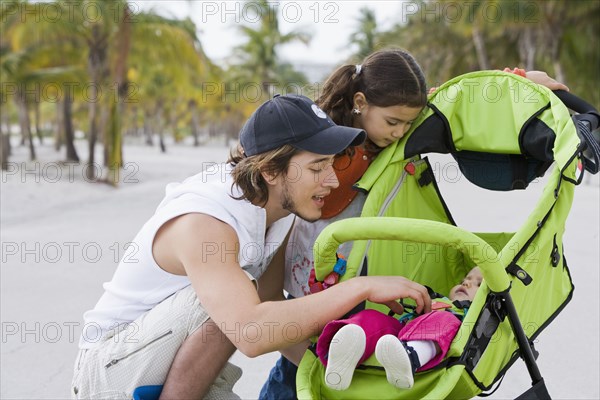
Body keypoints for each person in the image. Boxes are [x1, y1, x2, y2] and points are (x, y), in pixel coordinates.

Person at [71, 93, 434, 399]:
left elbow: (273, 305)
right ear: (271, 171)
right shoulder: (207, 222)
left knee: (251, 300)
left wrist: (343, 378)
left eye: (333, 164)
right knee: (237, 299)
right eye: (317, 167)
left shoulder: (276, 210)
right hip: (112, 370)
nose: (333, 179)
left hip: (173, 361)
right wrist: (362, 286)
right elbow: (251, 331)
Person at [260, 49, 569, 400]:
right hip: (309, 305)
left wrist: (520, 82)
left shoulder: (395, 133)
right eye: (393, 123)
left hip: (360, 309)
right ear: (360, 102)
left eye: (408, 125)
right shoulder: (323, 152)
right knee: (291, 382)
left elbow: (460, 104)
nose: (400, 133)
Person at [318, 267, 483, 390]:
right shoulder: (438, 300)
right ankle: (345, 351)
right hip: (398, 337)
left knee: (445, 321)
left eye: (478, 284)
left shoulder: (465, 319)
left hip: (425, 345)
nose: (467, 283)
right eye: (464, 280)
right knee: (373, 317)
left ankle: (410, 357)